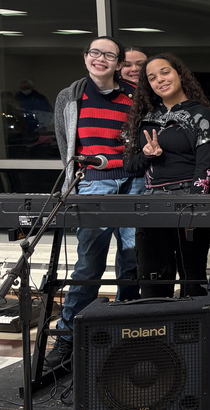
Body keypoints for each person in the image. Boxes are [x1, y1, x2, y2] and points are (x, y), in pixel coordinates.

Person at [46, 37, 144, 369]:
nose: (100, 59)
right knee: (89, 264)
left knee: (132, 260)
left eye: (109, 55)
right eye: (94, 53)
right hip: (93, 183)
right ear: (86, 57)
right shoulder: (70, 96)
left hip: (133, 180)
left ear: (119, 63)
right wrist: (77, 180)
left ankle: (127, 331)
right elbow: (65, 143)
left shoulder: (134, 95)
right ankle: (67, 336)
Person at [124, 54, 210, 299]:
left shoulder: (201, 114)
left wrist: (195, 205)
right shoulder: (145, 117)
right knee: (152, 280)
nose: (160, 80)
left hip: (190, 202)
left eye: (165, 72)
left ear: (179, 74)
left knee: (191, 281)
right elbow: (130, 166)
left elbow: (206, 166)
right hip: (152, 204)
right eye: (152, 78)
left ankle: (191, 336)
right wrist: (146, 154)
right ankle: (156, 335)